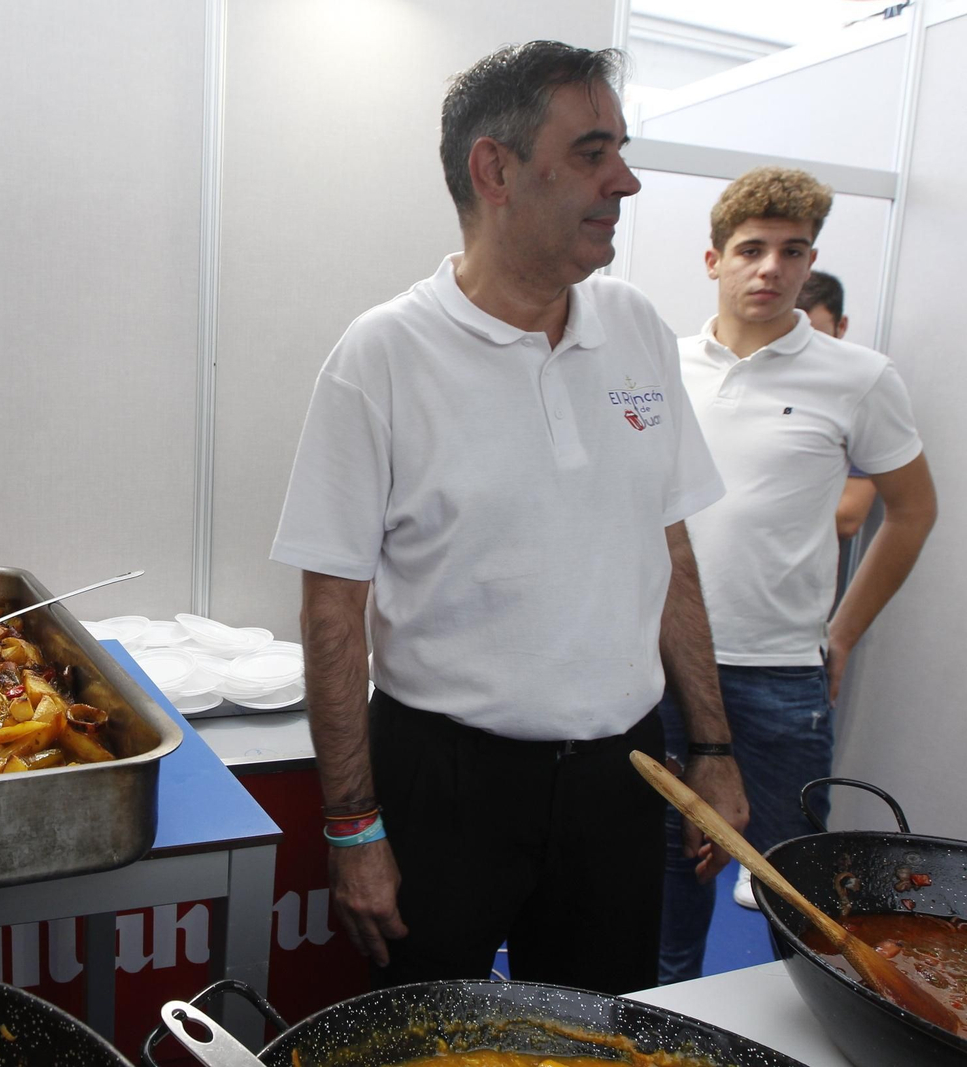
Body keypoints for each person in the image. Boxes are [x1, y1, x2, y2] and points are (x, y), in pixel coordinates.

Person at [270, 40, 747, 996]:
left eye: (620, 152)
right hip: (445, 779)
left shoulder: (638, 330)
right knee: (425, 1033)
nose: (626, 181)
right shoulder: (384, 354)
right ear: (495, 169)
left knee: (595, 1031)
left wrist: (714, 746)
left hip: (621, 775)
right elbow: (332, 607)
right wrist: (354, 825)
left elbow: (669, 550)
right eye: (592, 153)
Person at [659, 168, 936, 980]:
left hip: (781, 676)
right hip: (665, 668)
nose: (770, 268)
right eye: (751, 249)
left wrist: (842, 632)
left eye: (792, 251)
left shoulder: (858, 376)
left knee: (793, 891)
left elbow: (912, 511)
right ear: (713, 259)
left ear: (811, 260)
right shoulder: (662, 366)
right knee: (667, 883)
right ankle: (661, 1019)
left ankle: (807, 1018)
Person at [796, 271, 879, 543]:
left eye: (815, 338)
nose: (799, 350)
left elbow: (848, 517)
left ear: (841, 327)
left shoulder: (857, 396)